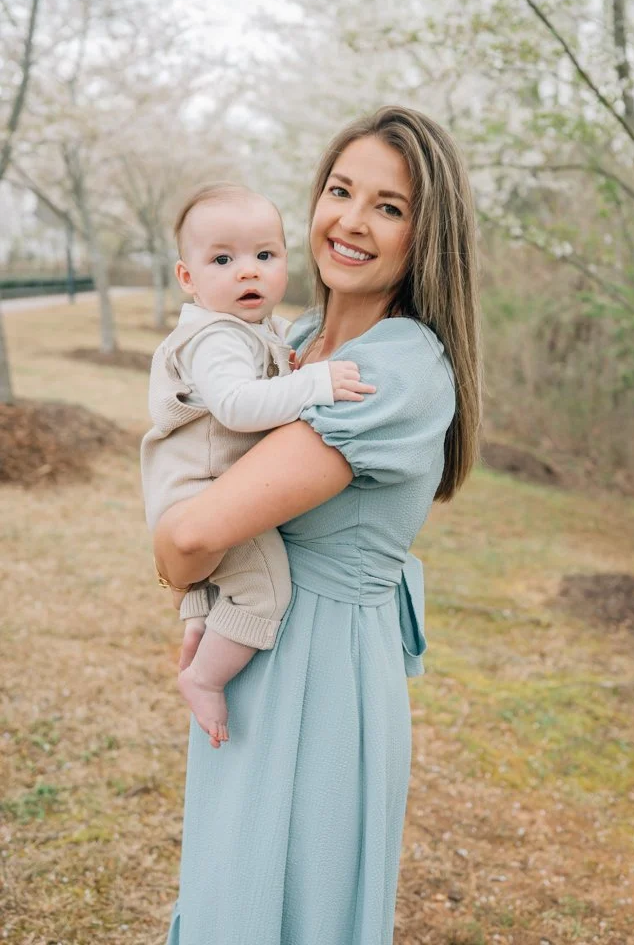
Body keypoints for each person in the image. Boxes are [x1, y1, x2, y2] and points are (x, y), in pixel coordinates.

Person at [154, 105, 481, 945]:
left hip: (325, 671)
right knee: (232, 889)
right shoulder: (293, 340)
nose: (351, 221)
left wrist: (178, 559)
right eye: (341, 191)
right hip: (252, 649)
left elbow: (190, 537)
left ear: (427, 236)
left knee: (295, 903)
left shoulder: (396, 369)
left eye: (389, 206)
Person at [141, 182, 375, 747]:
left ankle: (199, 626)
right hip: (203, 491)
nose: (248, 271)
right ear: (188, 277)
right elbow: (237, 406)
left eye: (264, 255)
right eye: (223, 260)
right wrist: (314, 383)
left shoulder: (259, 329)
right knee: (265, 591)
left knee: (224, 581)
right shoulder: (216, 338)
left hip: (206, 486)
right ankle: (204, 678)